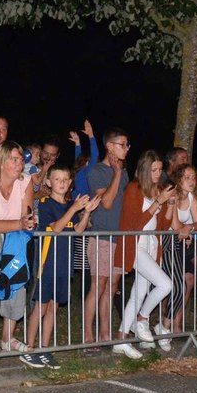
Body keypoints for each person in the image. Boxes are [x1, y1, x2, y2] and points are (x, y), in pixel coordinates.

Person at [23, 166, 99, 368]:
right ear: (48, 182)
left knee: (54, 308)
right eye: (58, 179)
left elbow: (78, 231)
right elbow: (56, 228)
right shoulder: (45, 204)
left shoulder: (69, 205)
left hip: (64, 264)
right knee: (41, 306)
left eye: (66, 179)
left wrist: (85, 213)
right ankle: (29, 348)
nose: (63, 183)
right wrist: (74, 208)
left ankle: (44, 348)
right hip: (47, 262)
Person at [115, 151, 175, 354]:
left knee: (138, 293)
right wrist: (159, 203)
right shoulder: (134, 189)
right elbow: (133, 225)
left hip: (151, 244)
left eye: (160, 169)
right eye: (153, 170)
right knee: (165, 284)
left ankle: (121, 340)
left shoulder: (158, 190)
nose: (158, 174)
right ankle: (142, 319)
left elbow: (163, 225)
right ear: (144, 170)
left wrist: (170, 205)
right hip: (136, 244)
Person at [0, 141, 37, 350]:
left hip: (15, 241)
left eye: (21, 159)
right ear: (2, 161)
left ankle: (8, 338)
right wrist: (19, 224)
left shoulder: (26, 181)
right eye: (14, 159)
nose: (19, 163)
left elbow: (27, 216)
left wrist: (28, 223)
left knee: (17, 283)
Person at [82, 127, 129, 347]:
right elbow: (107, 203)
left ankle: (105, 331)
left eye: (127, 145)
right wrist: (117, 174)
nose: (126, 149)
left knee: (112, 286)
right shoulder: (97, 171)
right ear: (110, 146)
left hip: (119, 238)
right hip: (101, 236)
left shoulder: (126, 173)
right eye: (122, 144)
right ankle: (87, 333)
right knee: (98, 284)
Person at [167, 164, 197, 333]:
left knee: (189, 280)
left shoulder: (192, 196)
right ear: (178, 179)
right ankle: (167, 321)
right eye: (187, 177)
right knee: (177, 283)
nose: (191, 181)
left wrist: (188, 229)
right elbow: (174, 225)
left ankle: (177, 322)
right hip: (169, 242)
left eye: (193, 177)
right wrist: (186, 229)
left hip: (184, 240)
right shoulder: (171, 194)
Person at [70, 119, 98, 198]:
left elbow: (95, 154)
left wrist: (91, 135)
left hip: (86, 202)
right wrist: (77, 143)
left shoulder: (89, 170)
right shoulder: (79, 170)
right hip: (75, 201)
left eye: (85, 159)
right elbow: (78, 157)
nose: (81, 160)